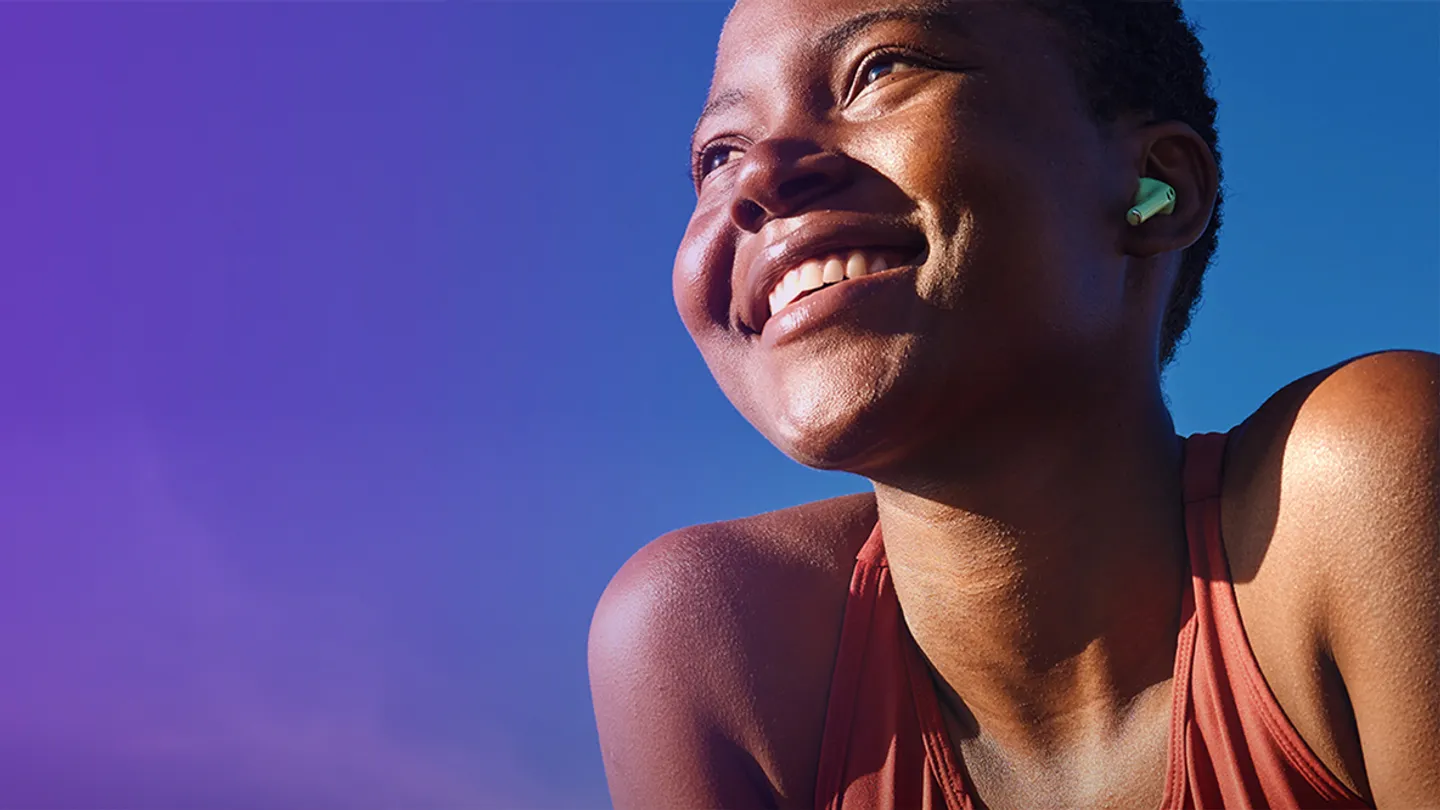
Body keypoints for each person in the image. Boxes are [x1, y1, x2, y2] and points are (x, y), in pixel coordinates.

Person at [588, 0, 1439, 807]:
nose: (761, 176)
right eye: (718, 156)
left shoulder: (1363, 491)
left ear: (1154, 189)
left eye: (878, 70)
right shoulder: (721, 644)